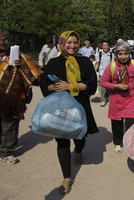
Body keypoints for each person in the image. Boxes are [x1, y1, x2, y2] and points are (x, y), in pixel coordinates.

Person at [40, 31, 98, 195]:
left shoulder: (84, 61)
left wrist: (70, 86)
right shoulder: (53, 62)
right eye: (69, 42)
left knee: (80, 136)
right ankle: (67, 177)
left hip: (80, 105)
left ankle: (79, 151)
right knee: (62, 141)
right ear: (62, 43)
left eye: (75, 42)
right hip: (60, 108)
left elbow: (92, 85)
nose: (72, 45)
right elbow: (44, 84)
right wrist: (53, 87)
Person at [0, 28, 43, 164]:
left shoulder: (12, 55)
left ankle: (5, 151)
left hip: (11, 96)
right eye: (3, 40)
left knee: (9, 123)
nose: (6, 42)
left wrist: (18, 64)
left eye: (6, 39)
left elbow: (29, 68)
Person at [101, 39, 134, 154]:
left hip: (131, 100)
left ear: (129, 53)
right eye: (120, 54)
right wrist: (116, 86)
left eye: (126, 54)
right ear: (116, 54)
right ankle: (117, 143)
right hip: (116, 101)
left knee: (130, 124)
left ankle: (130, 143)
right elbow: (103, 82)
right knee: (117, 124)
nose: (123, 57)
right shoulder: (111, 66)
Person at [95, 41, 113, 107]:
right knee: (102, 87)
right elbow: (97, 63)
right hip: (102, 73)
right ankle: (103, 100)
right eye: (104, 45)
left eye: (106, 45)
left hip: (110, 73)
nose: (105, 47)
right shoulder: (99, 54)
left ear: (108, 46)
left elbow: (113, 64)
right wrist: (94, 72)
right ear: (102, 46)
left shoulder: (111, 54)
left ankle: (107, 96)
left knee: (109, 87)